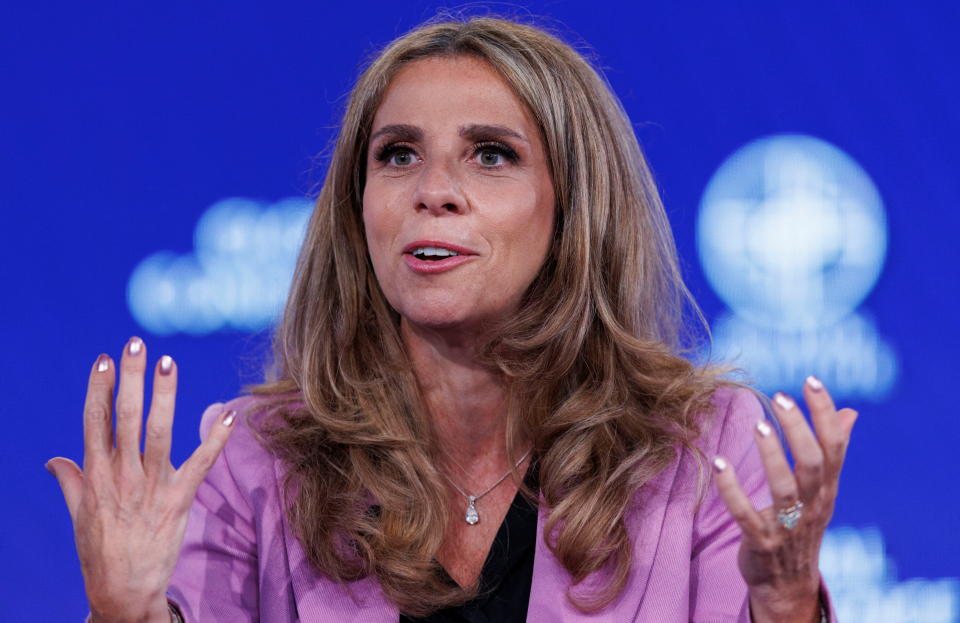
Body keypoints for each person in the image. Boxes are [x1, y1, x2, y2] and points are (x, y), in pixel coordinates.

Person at [47, 15, 857, 623]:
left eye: (490, 154)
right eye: (397, 153)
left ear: (571, 204)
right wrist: (127, 613)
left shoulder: (699, 443)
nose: (434, 189)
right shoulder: (261, 458)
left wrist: (787, 604)